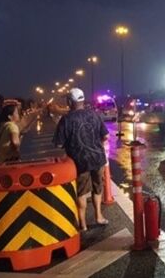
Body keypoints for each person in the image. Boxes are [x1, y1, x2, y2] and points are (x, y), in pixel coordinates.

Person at [53, 88, 109, 231]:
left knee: (82, 191)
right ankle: (98, 216)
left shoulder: (66, 119)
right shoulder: (95, 115)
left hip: (80, 161)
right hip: (98, 158)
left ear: (70, 102)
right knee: (98, 187)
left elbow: (58, 143)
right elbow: (105, 136)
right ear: (82, 100)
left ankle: (82, 223)